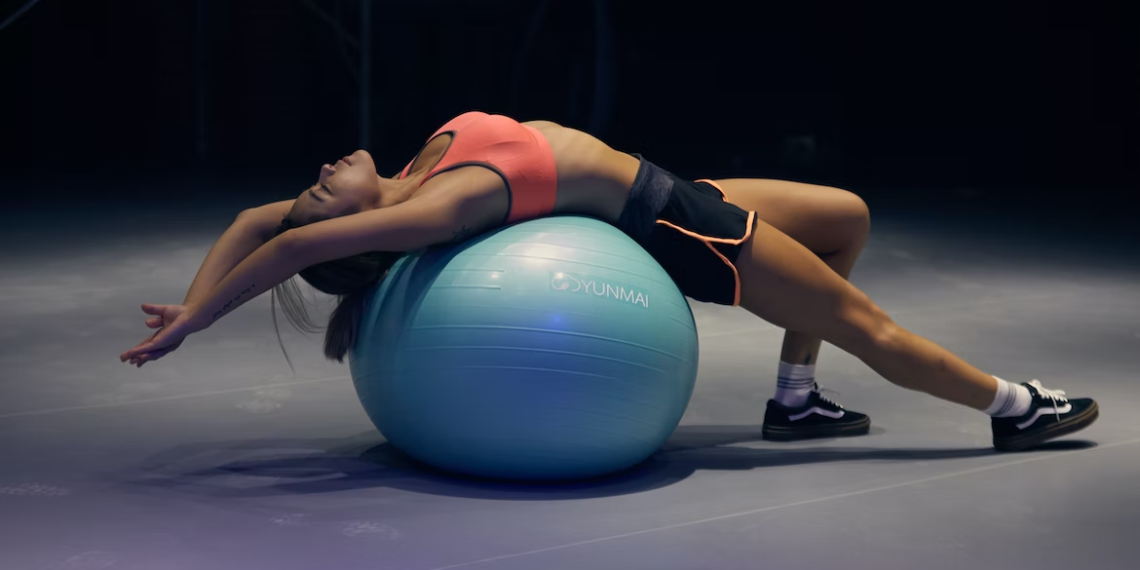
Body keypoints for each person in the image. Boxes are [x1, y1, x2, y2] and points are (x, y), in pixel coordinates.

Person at [119, 110, 1098, 451]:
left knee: (846, 215)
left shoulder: (411, 175)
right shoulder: (424, 210)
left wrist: (197, 291)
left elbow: (258, 223)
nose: (320, 173)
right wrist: (199, 323)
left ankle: (795, 402)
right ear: (359, 229)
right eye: (320, 193)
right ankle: (1012, 404)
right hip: (677, 225)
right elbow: (284, 247)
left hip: (666, 186)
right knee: (866, 323)